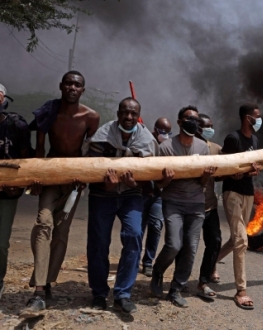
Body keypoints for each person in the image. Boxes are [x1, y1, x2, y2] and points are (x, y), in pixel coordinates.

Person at [22, 71, 100, 316]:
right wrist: (37, 177)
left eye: (77, 85)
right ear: (61, 86)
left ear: (83, 90)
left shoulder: (90, 117)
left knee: (61, 231)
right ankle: (39, 291)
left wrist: (83, 178)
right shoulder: (49, 112)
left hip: (75, 180)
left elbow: (88, 152)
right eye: (68, 83)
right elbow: (41, 148)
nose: (72, 88)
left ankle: (45, 282)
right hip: (51, 175)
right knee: (43, 223)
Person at [85, 97, 158, 314]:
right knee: (98, 243)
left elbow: (149, 178)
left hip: (131, 194)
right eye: (125, 112)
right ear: (118, 113)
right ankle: (99, 293)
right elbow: (89, 167)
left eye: (133, 114)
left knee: (134, 236)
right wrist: (106, 186)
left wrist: (135, 183)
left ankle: (123, 294)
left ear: (138, 115)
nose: (128, 117)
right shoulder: (101, 136)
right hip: (101, 194)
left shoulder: (147, 140)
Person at [150, 106, 216, 308]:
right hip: (173, 203)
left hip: (197, 203)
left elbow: (203, 182)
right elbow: (158, 185)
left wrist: (207, 174)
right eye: (188, 119)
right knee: (174, 244)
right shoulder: (166, 148)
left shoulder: (203, 148)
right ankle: (158, 271)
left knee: (191, 248)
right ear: (179, 122)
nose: (193, 122)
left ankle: (176, 289)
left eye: (196, 119)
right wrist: (166, 180)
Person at [214, 103, 261, 310]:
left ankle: (210, 263)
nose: (259, 120)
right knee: (242, 239)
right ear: (247, 118)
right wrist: (232, 173)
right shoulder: (233, 138)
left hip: (248, 193)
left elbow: (250, 167)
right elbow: (221, 169)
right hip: (232, 192)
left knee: (235, 239)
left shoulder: (255, 140)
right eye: (256, 117)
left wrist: (252, 172)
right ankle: (241, 290)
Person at [0, 83, 32, 299]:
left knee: (1, 241)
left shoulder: (16, 126)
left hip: (6, 193)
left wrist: (19, 184)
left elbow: (25, 159)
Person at [194, 113, 222, 301]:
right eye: (206, 126)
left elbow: (221, 175)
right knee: (185, 246)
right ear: (197, 128)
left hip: (210, 205)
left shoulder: (217, 149)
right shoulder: (189, 148)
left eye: (212, 125)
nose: (210, 129)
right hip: (191, 206)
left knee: (215, 242)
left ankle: (203, 282)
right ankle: (174, 282)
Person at [140, 117, 172, 277]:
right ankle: (132, 258)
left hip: (158, 195)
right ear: (155, 129)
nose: (165, 135)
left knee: (156, 226)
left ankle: (148, 262)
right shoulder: (144, 140)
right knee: (137, 229)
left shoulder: (168, 147)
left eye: (168, 132)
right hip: (141, 192)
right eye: (163, 132)